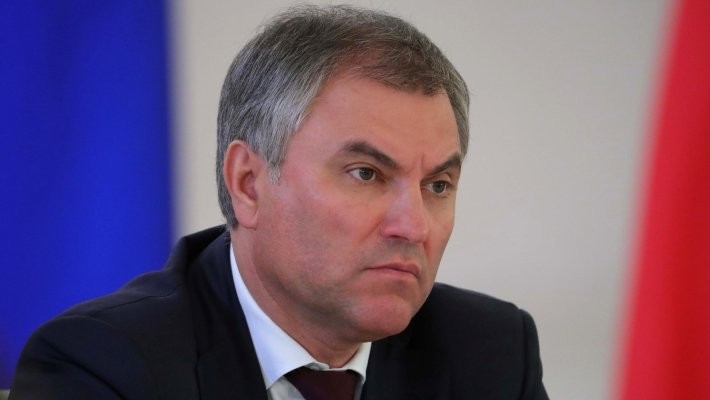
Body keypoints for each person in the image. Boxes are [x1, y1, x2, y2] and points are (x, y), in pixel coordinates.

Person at [10, 5, 548, 399]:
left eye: (438, 185)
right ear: (248, 184)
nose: (414, 226)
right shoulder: (103, 367)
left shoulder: (491, 353)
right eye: (366, 174)